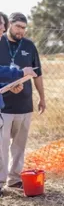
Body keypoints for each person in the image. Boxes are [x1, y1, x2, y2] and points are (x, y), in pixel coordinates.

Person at [0, 13, 45, 193]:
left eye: (24, 28)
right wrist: (8, 86)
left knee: (19, 144)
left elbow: (37, 73)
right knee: (2, 145)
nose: (21, 31)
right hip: (4, 105)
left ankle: (14, 178)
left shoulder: (29, 45)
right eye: (18, 26)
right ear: (9, 25)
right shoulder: (0, 41)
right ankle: (1, 180)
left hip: (25, 103)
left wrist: (42, 97)